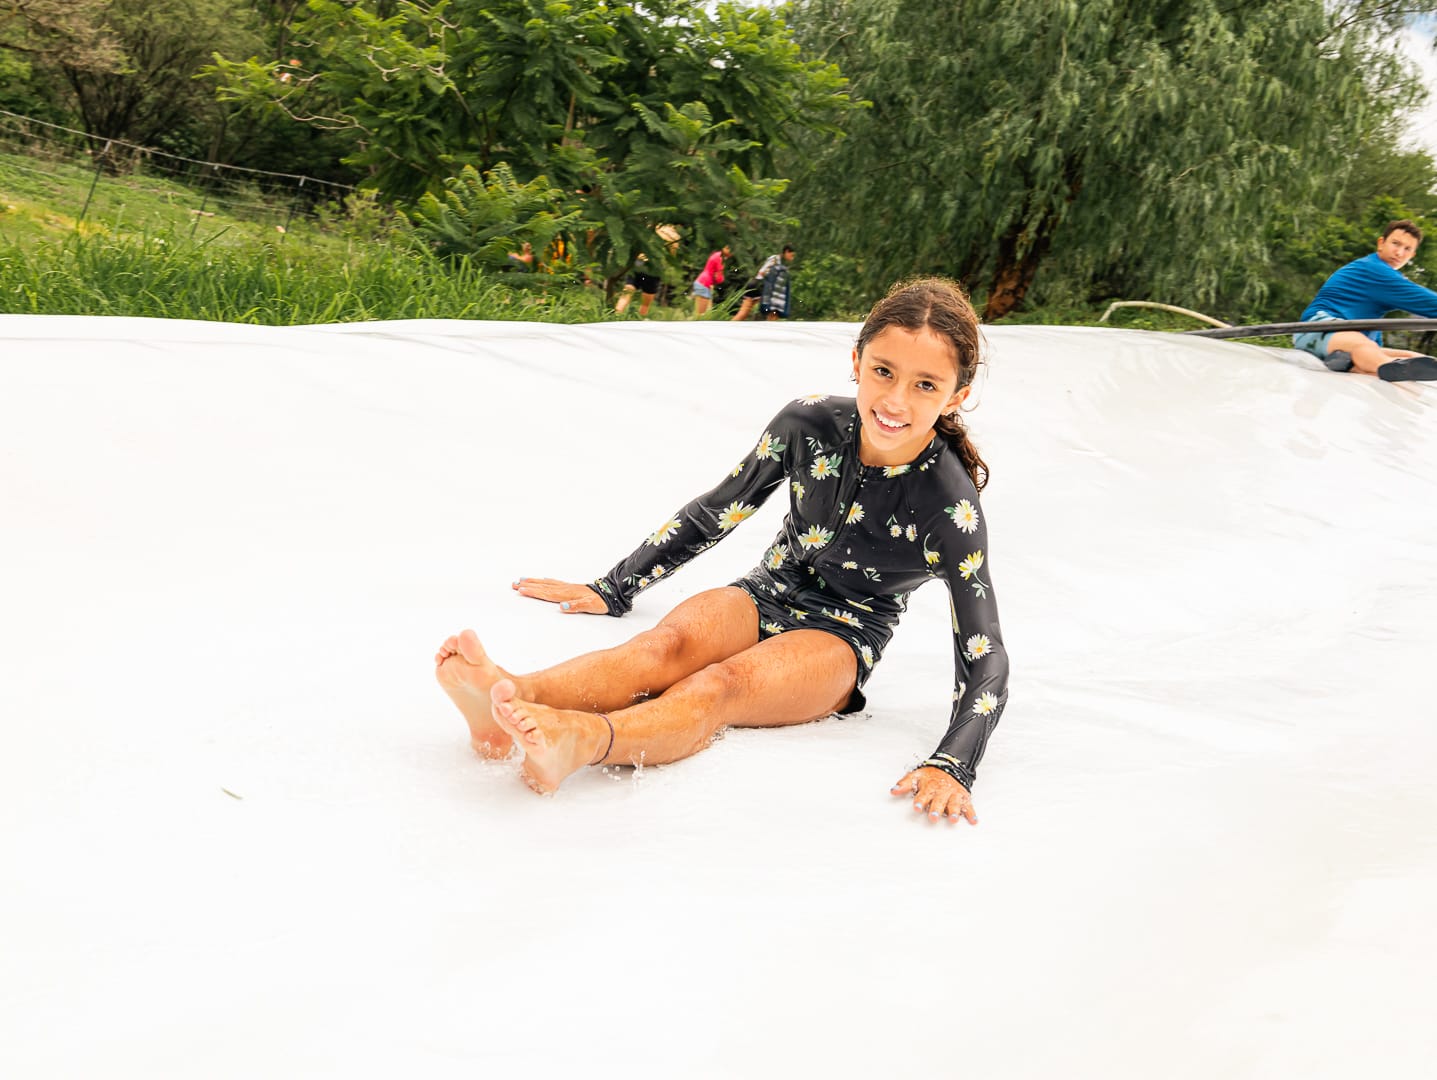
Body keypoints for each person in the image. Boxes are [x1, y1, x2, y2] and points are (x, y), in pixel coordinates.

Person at [434, 277, 1010, 827]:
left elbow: (984, 653)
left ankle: (581, 741)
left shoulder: (948, 504)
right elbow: (717, 510)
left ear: (955, 396)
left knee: (718, 685)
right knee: (661, 647)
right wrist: (614, 588)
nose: (895, 399)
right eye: (883, 371)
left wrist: (953, 763)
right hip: (763, 593)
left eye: (925, 385)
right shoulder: (809, 424)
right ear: (857, 361)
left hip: (841, 635)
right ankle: (508, 698)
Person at [1294, 219, 1437, 381]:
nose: (1399, 253)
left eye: (1407, 249)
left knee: (1416, 358)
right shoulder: (1375, 270)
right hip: (1319, 329)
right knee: (1364, 346)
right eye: (1395, 244)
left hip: (1345, 338)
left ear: (1412, 255)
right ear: (1381, 243)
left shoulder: (1383, 274)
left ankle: (1349, 364)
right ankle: (1386, 367)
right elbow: (1429, 303)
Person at [733, 246, 796, 322]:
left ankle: (730, 325)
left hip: (755, 285)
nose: (792, 258)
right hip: (760, 287)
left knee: (743, 313)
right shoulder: (775, 260)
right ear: (786, 252)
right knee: (774, 312)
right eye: (792, 255)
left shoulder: (778, 261)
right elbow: (762, 273)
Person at [691, 244, 731, 316]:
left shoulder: (717, 255)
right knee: (702, 315)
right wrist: (722, 278)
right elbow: (719, 278)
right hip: (704, 284)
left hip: (702, 283)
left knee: (704, 314)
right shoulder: (720, 258)